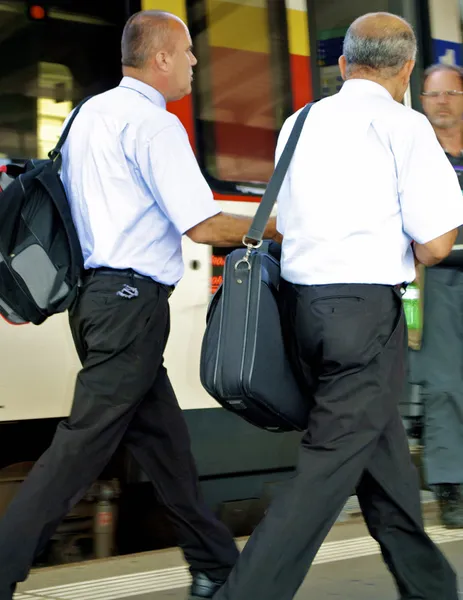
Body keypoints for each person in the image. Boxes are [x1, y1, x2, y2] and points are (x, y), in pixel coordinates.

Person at [0, 10, 280, 600]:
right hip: (130, 302)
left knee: (164, 445)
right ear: (160, 58)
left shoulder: (88, 113)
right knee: (82, 447)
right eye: (187, 52)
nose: (194, 62)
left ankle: (214, 566)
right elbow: (202, 225)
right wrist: (283, 227)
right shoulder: (155, 126)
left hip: (94, 302)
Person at [213, 13, 463, 600]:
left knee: (382, 458)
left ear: (345, 64)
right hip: (364, 318)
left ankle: (431, 590)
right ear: (405, 70)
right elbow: (435, 244)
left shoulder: (300, 122)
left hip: (301, 313)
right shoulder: (405, 128)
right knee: (324, 471)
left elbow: (288, 216)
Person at [417, 63, 463, 528]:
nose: (443, 101)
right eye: (433, 95)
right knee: (445, 386)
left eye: (451, 92)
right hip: (437, 280)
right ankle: (451, 488)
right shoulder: (414, 152)